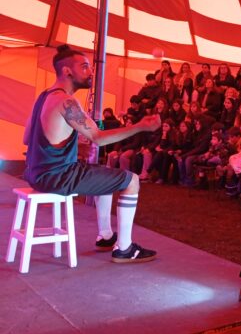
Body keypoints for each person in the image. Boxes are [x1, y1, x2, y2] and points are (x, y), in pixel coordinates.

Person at [23, 45, 160, 263]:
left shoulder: (44, 97)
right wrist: (140, 126)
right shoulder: (66, 102)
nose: (91, 72)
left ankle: (105, 236)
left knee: (105, 175)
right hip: (58, 176)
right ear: (67, 71)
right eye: (85, 67)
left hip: (36, 174)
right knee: (132, 180)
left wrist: (73, 148)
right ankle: (124, 249)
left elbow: (28, 138)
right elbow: (98, 137)